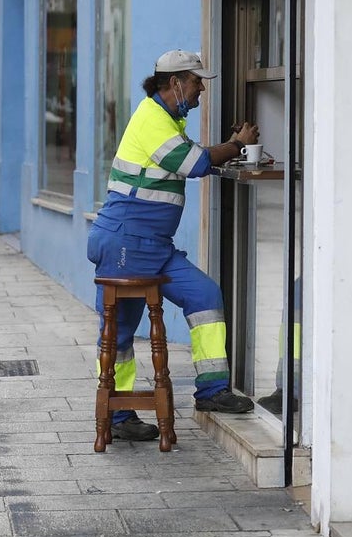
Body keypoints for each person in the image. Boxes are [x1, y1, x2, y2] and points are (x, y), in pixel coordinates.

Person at [87, 48, 260, 441]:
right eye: (197, 82)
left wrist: (228, 150)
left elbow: (192, 160)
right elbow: (193, 163)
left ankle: (212, 391)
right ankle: (119, 414)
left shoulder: (168, 120)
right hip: (125, 242)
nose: (201, 90)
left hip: (154, 245)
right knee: (120, 331)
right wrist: (237, 144)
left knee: (204, 295)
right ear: (175, 83)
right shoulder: (151, 118)